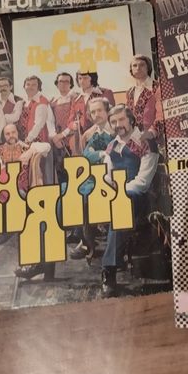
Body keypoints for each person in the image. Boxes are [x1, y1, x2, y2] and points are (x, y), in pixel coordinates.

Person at [101, 105, 159, 297]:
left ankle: (108, 271)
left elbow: (143, 182)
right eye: (113, 122)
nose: (117, 125)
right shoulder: (112, 146)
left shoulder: (145, 142)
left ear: (132, 120)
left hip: (141, 197)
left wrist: (119, 194)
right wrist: (111, 192)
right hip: (118, 195)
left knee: (121, 207)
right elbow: (107, 176)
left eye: (121, 120)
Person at [0, 123, 52, 282]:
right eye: (7, 133)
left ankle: (33, 260)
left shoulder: (26, 147)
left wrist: (31, 151)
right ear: (3, 136)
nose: (11, 135)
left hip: (24, 191)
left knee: (23, 199)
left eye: (13, 132)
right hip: (4, 190)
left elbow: (47, 147)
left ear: (17, 133)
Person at [69, 96, 115, 262]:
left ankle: (89, 242)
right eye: (93, 112)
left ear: (107, 111)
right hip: (96, 175)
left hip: (113, 176)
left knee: (87, 195)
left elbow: (115, 153)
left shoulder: (115, 129)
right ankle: (86, 240)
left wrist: (98, 154)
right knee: (74, 193)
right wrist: (100, 153)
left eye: (100, 110)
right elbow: (86, 155)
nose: (96, 115)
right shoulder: (96, 133)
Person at [66, 71, 115, 154]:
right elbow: (70, 121)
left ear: (93, 78)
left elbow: (111, 115)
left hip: (102, 134)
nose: (82, 81)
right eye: (80, 78)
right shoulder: (76, 99)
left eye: (85, 78)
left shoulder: (105, 93)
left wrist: (93, 129)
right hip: (82, 138)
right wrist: (73, 125)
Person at [48, 72, 74, 180]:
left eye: (66, 81)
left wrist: (63, 134)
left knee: (73, 170)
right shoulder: (52, 101)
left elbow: (76, 120)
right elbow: (49, 121)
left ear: (70, 84)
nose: (63, 84)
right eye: (61, 81)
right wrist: (55, 137)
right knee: (60, 171)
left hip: (72, 139)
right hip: (58, 142)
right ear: (57, 84)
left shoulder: (75, 98)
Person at [125, 55, 158, 135]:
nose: (138, 68)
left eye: (142, 65)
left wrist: (151, 132)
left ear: (148, 68)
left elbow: (162, 115)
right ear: (131, 70)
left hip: (153, 136)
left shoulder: (157, 87)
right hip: (135, 137)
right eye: (134, 65)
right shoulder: (130, 92)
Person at [16, 76, 50, 144]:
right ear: (24, 86)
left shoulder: (41, 101)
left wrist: (28, 139)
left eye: (33, 85)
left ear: (38, 87)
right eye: (28, 84)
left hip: (37, 140)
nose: (30, 87)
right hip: (24, 139)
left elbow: (39, 124)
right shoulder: (23, 102)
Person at [0, 77, 23, 147]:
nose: (3, 88)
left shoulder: (18, 100)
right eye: (0, 86)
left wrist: (2, 117)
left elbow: (15, 117)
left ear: (11, 87)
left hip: (14, 138)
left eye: (5, 85)